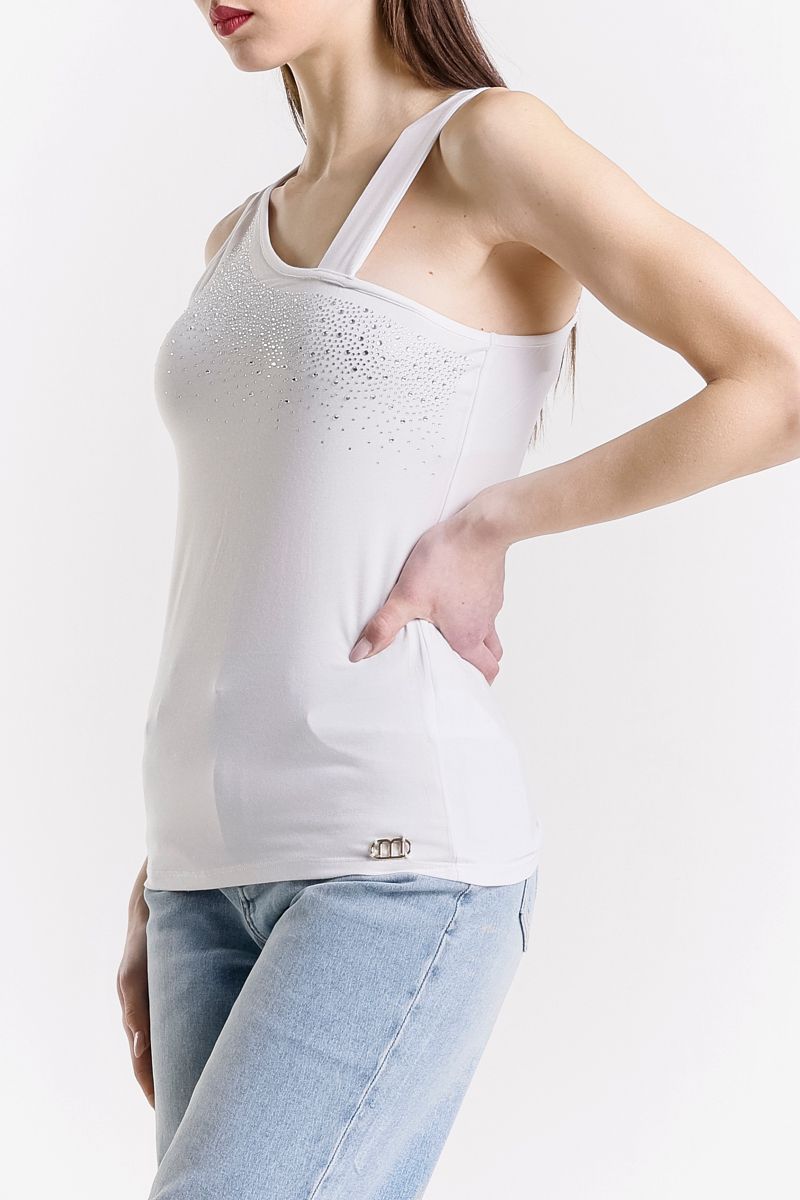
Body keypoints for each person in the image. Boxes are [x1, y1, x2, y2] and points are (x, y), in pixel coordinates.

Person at [116, 2, 800, 1196]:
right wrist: (159, 868)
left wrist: (492, 522)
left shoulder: (483, 145)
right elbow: (242, 564)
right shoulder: (234, 238)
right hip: (195, 874)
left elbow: (775, 384)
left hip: (391, 863)